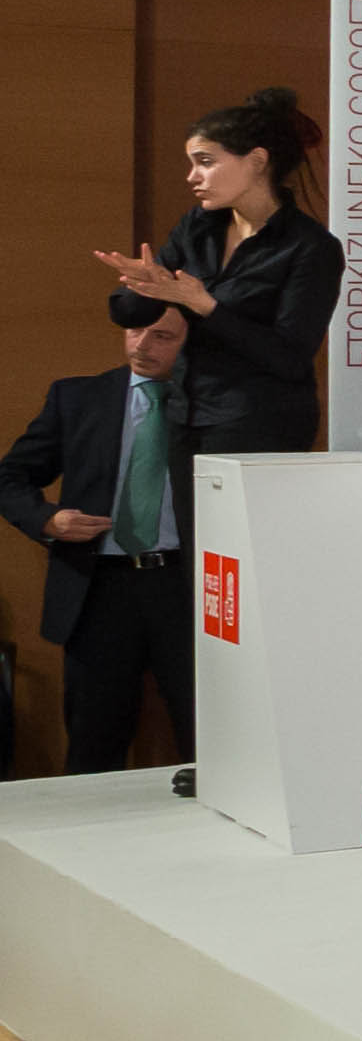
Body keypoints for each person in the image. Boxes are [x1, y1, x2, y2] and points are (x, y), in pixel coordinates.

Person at [1, 298, 203, 773]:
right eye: (134, 331)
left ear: (191, 343)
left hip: (186, 585)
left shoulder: (214, 407)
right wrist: (48, 521)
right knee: (94, 738)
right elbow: (10, 478)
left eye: (162, 336)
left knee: (207, 732)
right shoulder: (77, 398)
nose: (142, 346)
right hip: (99, 587)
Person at [93, 89, 343, 458]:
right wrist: (143, 287)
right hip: (186, 414)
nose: (192, 176)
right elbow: (129, 314)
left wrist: (206, 306)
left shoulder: (310, 246)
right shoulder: (198, 226)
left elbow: (290, 357)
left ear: (256, 161)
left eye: (206, 162)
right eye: (192, 163)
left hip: (261, 420)